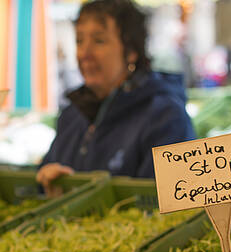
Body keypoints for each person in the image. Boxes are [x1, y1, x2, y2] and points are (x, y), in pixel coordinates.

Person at [37, 0, 195, 186]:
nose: (84, 53)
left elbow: (168, 199)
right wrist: (46, 181)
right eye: (79, 41)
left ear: (131, 52)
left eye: (99, 41)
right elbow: (42, 178)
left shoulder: (165, 117)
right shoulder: (71, 116)